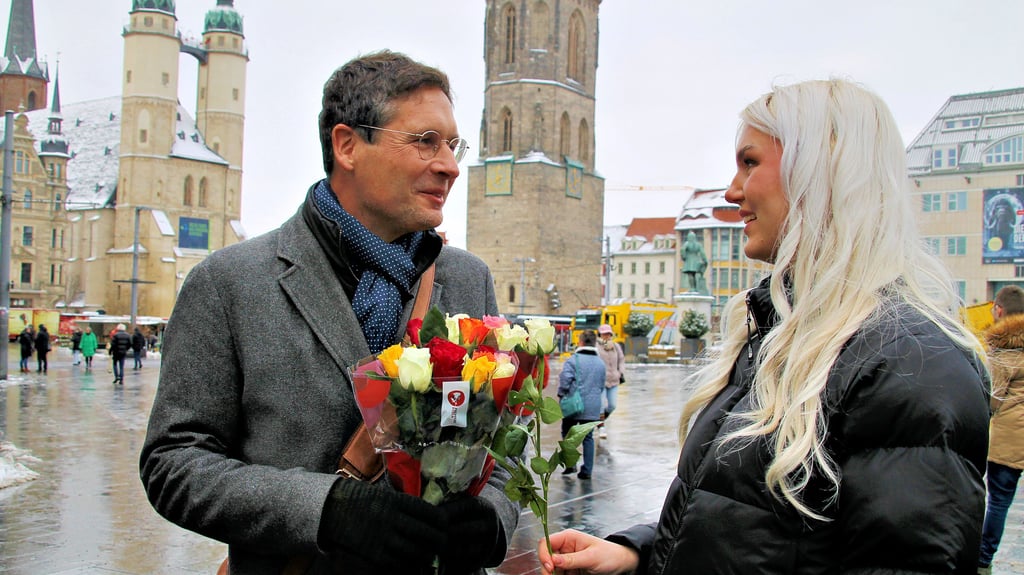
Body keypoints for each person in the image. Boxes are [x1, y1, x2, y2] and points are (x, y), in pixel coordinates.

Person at [537, 79, 990, 575]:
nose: (733, 191)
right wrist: (638, 555)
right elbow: (753, 529)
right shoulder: (784, 331)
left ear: (820, 172)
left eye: (750, 163)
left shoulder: (911, 363)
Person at [140, 50, 517, 575]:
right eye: (425, 140)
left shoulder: (466, 277)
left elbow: (502, 446)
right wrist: (324, 509)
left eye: (453, 144)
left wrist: (493, 518)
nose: (451, 166)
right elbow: (173, 463)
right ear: (347, 146)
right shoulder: (228, 282)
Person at [978, 285, 1024, 573]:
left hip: (1008, 438)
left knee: (998, 501)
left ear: (998, 310)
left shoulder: (1004, 349)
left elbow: (992, 400)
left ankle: (983, 560)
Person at [557, 329, 606, 480]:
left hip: (573, 405)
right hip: (593, 406)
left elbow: (565, 380)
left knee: (568, 434)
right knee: (588, 437)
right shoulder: (600, 363)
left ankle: (571, 465)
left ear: (581, 342)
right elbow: (601, 384)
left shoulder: (573, 360)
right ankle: (587, 471)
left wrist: (561, 393)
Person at [595, 323, 625, 440]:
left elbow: (621, 360)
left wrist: (620, 372)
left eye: (608, 334)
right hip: (601, 380)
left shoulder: (616, 346)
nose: (606, 336)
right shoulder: (596, 347)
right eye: (604, 334)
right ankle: (601, 427)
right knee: (601, 405)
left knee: (612, 405)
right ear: (600, 334)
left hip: (614, 379)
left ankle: (599, 421)